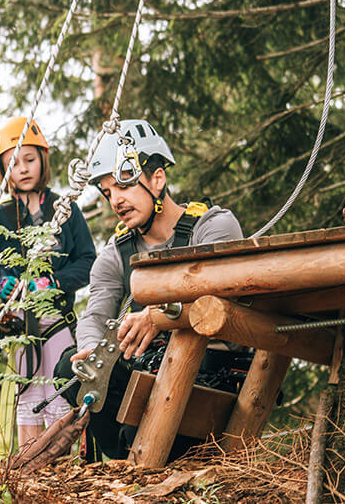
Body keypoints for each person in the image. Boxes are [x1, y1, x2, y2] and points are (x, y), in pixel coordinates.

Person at [64, 118, 243, 461]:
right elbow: (95, 315)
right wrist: (90, 350)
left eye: (124, 185)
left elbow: (217, 294)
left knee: (141, 420)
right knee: (69, 370)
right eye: (108, 192)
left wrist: (157, 317)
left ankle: (139, 458)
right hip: (147, 376)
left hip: (207, 377)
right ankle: (122, 461)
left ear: (157, 179)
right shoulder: (114, 254)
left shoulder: (214, 226)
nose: (116, 200)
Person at [0, 116, 95, 450]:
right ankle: (30, 463)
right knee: (27, 391)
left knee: (58, 386)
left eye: (29, 160)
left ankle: (60, 462)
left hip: (57, 318)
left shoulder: (65, 208)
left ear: (42, 160)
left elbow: (87, 260)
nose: (23, 169)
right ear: (3, 171)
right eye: (13, 164)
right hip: (18, 323)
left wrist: (54, 282)